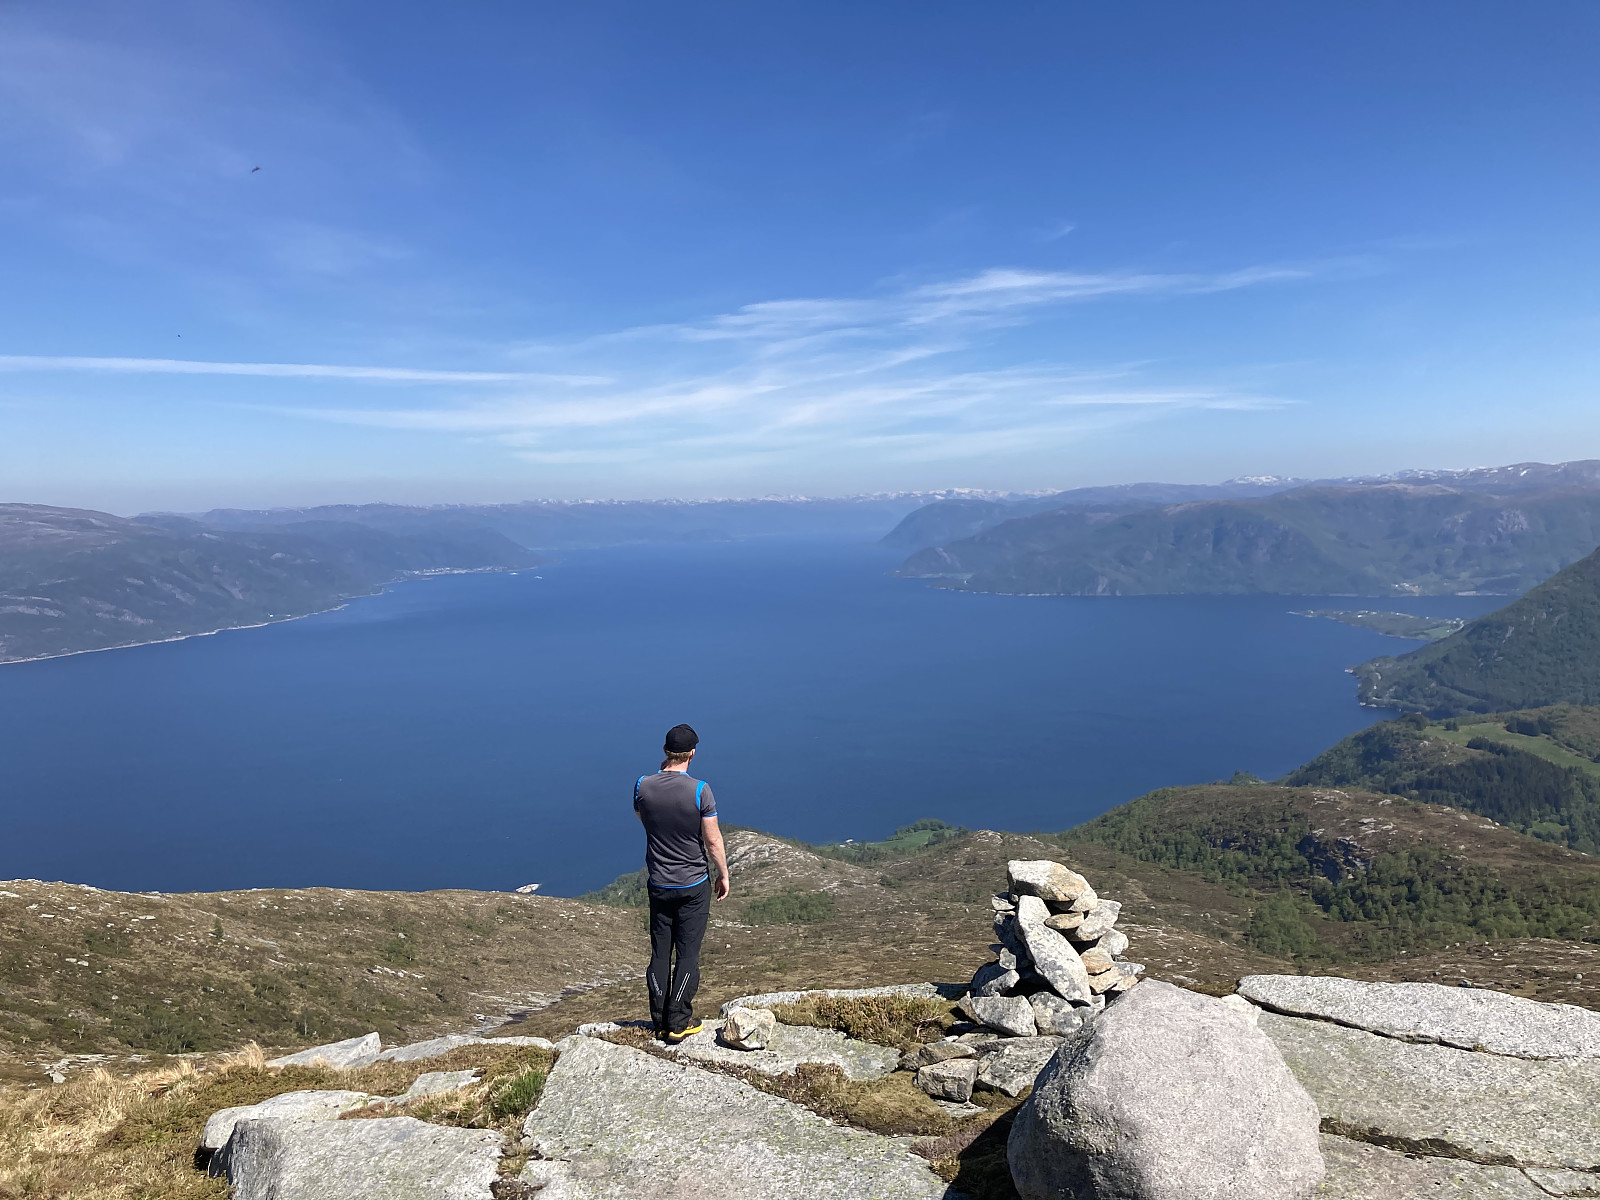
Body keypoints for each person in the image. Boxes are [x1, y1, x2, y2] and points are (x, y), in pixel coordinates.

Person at [633, 722, 730, 1042]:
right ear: (692, 753)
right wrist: (723, 874)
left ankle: (659, 1020)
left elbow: (643, 817)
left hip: (659, 883)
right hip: (692, 885)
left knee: (660, 954)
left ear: (665, 752)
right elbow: (713, 841)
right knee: (687, 954)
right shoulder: (701, 790)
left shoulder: (642, 785)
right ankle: (678, 1021)